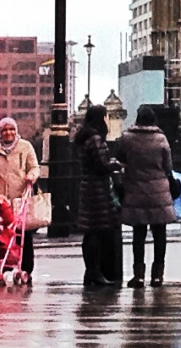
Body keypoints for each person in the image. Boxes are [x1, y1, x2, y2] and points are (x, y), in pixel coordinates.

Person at [114, 105, 178, 287]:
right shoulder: (161, 139)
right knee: (159, 235)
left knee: (138, 235)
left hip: (136, 191)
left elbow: (119, 161)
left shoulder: (127, 139)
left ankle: (139, 275)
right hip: (159, 193)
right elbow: (168, 167)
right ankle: (157, 275)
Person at [71, 111, 125, 289]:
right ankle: (95, 272)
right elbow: (102, 165)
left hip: (87, 188)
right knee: (98, 231)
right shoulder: (95, 139)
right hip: (98, 190)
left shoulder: (84, 137)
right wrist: (117, 164)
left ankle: (91, 272)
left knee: (90, 232)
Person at [0, 117, 40, 286]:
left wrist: (31, 177)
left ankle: (26, 267)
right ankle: (2, 265)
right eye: (5, 130)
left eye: (11, 129)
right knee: (1, 234)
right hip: (0, 198)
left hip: (21, 196)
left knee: (24, 233)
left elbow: (34, 167)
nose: (8, 133)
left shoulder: (25, 147)